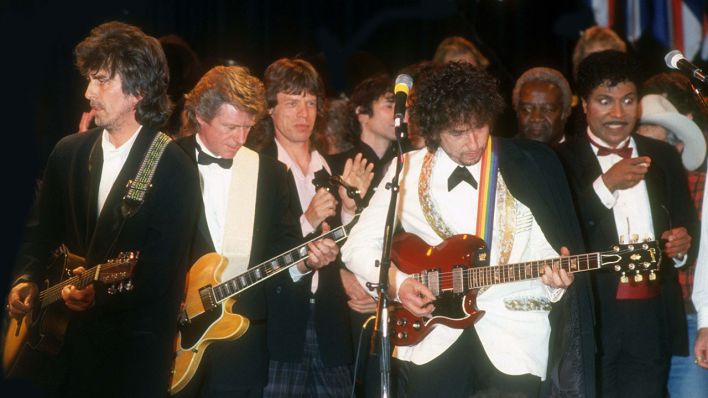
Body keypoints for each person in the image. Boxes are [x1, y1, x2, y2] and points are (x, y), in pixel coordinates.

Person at [342, 61, 594, 398]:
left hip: (515, 341)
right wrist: (399, 284)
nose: (474, 142)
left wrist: (555, 283)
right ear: (434, 130)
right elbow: (357, 246)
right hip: (432, 339)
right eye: (458, 133)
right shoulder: (406, 168)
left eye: (480, 126)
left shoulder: (530, 164)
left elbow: (546, 251)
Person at [5, 21, 201, 396]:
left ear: (139, 90)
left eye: (102, 81)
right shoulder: (68, 151)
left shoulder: (175, 167)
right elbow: (40, 233)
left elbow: (162, 275)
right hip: (57, 356)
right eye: (89, 79)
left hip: (130, 363)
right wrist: (25, 278)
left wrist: (98, 296)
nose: (88, 92)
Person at [173, 65, 339, 397]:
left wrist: (306, 262)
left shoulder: (271, 173)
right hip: (173, 333)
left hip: (242, 338)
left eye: (248, 127)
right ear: (200, 117)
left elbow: (283, 252)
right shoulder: (167, 160)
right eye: (230, 127)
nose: (241, 138)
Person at [556, 50, 698, 398]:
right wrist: (606, 185)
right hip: (593, 315)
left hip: (652, 315)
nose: (618, 113)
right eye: (605, 101)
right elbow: (561, 235)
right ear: (585, 106)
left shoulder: (662, 155)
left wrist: (681, 246)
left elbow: (685, 225)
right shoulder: (560, 159)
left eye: (628, 100)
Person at [252, 58, 373, 397]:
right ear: (271, 109)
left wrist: (350, 211)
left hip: (332, 325)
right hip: (280, 325)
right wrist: (305, 219)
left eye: (310, 103)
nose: (303, 114)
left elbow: (350, 252)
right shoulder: (258, 168)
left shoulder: (333, 169)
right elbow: (258, 251)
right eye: (291, 103)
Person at [637, 93, 708, 397]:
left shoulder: (700, 186)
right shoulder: (621, 189)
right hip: (637, 321)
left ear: (676, 147)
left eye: (658, 147)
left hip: (689, 315)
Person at [512, 67, 572, 145]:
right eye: (527, 109)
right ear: (517, 111)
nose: (536, 118)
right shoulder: (501, 154)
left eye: (547, 109)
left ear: (565, 112)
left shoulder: (582, 155)